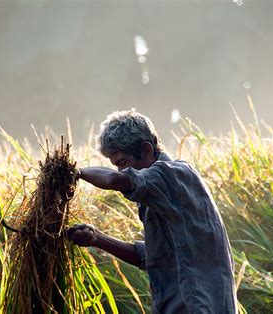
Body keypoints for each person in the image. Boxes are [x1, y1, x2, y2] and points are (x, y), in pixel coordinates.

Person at [67, 110, 237, 313]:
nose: (122, 171)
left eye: (122, 163)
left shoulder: (175, 175)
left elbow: (114, 180)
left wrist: (74, 172)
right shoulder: (157, 198)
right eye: (117, 166)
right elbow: (149, 257)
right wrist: (96, 238)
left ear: (147, 150)